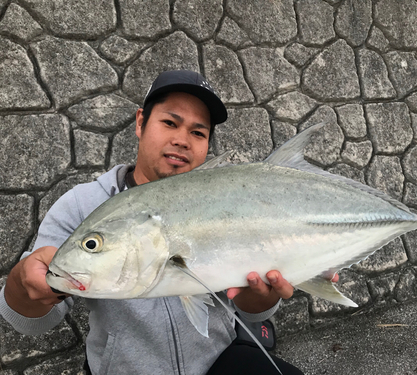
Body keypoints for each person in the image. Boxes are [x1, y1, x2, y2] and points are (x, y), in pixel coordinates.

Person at [0, 70, 324, 375]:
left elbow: (252, 310)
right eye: (170, 122)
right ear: (141, 122)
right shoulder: (83, 205)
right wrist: (21, 285)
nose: (182, 140)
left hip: (221, 363)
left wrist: (261, 299)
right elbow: (30, 321)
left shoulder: (229, 201)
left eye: (198, 132)